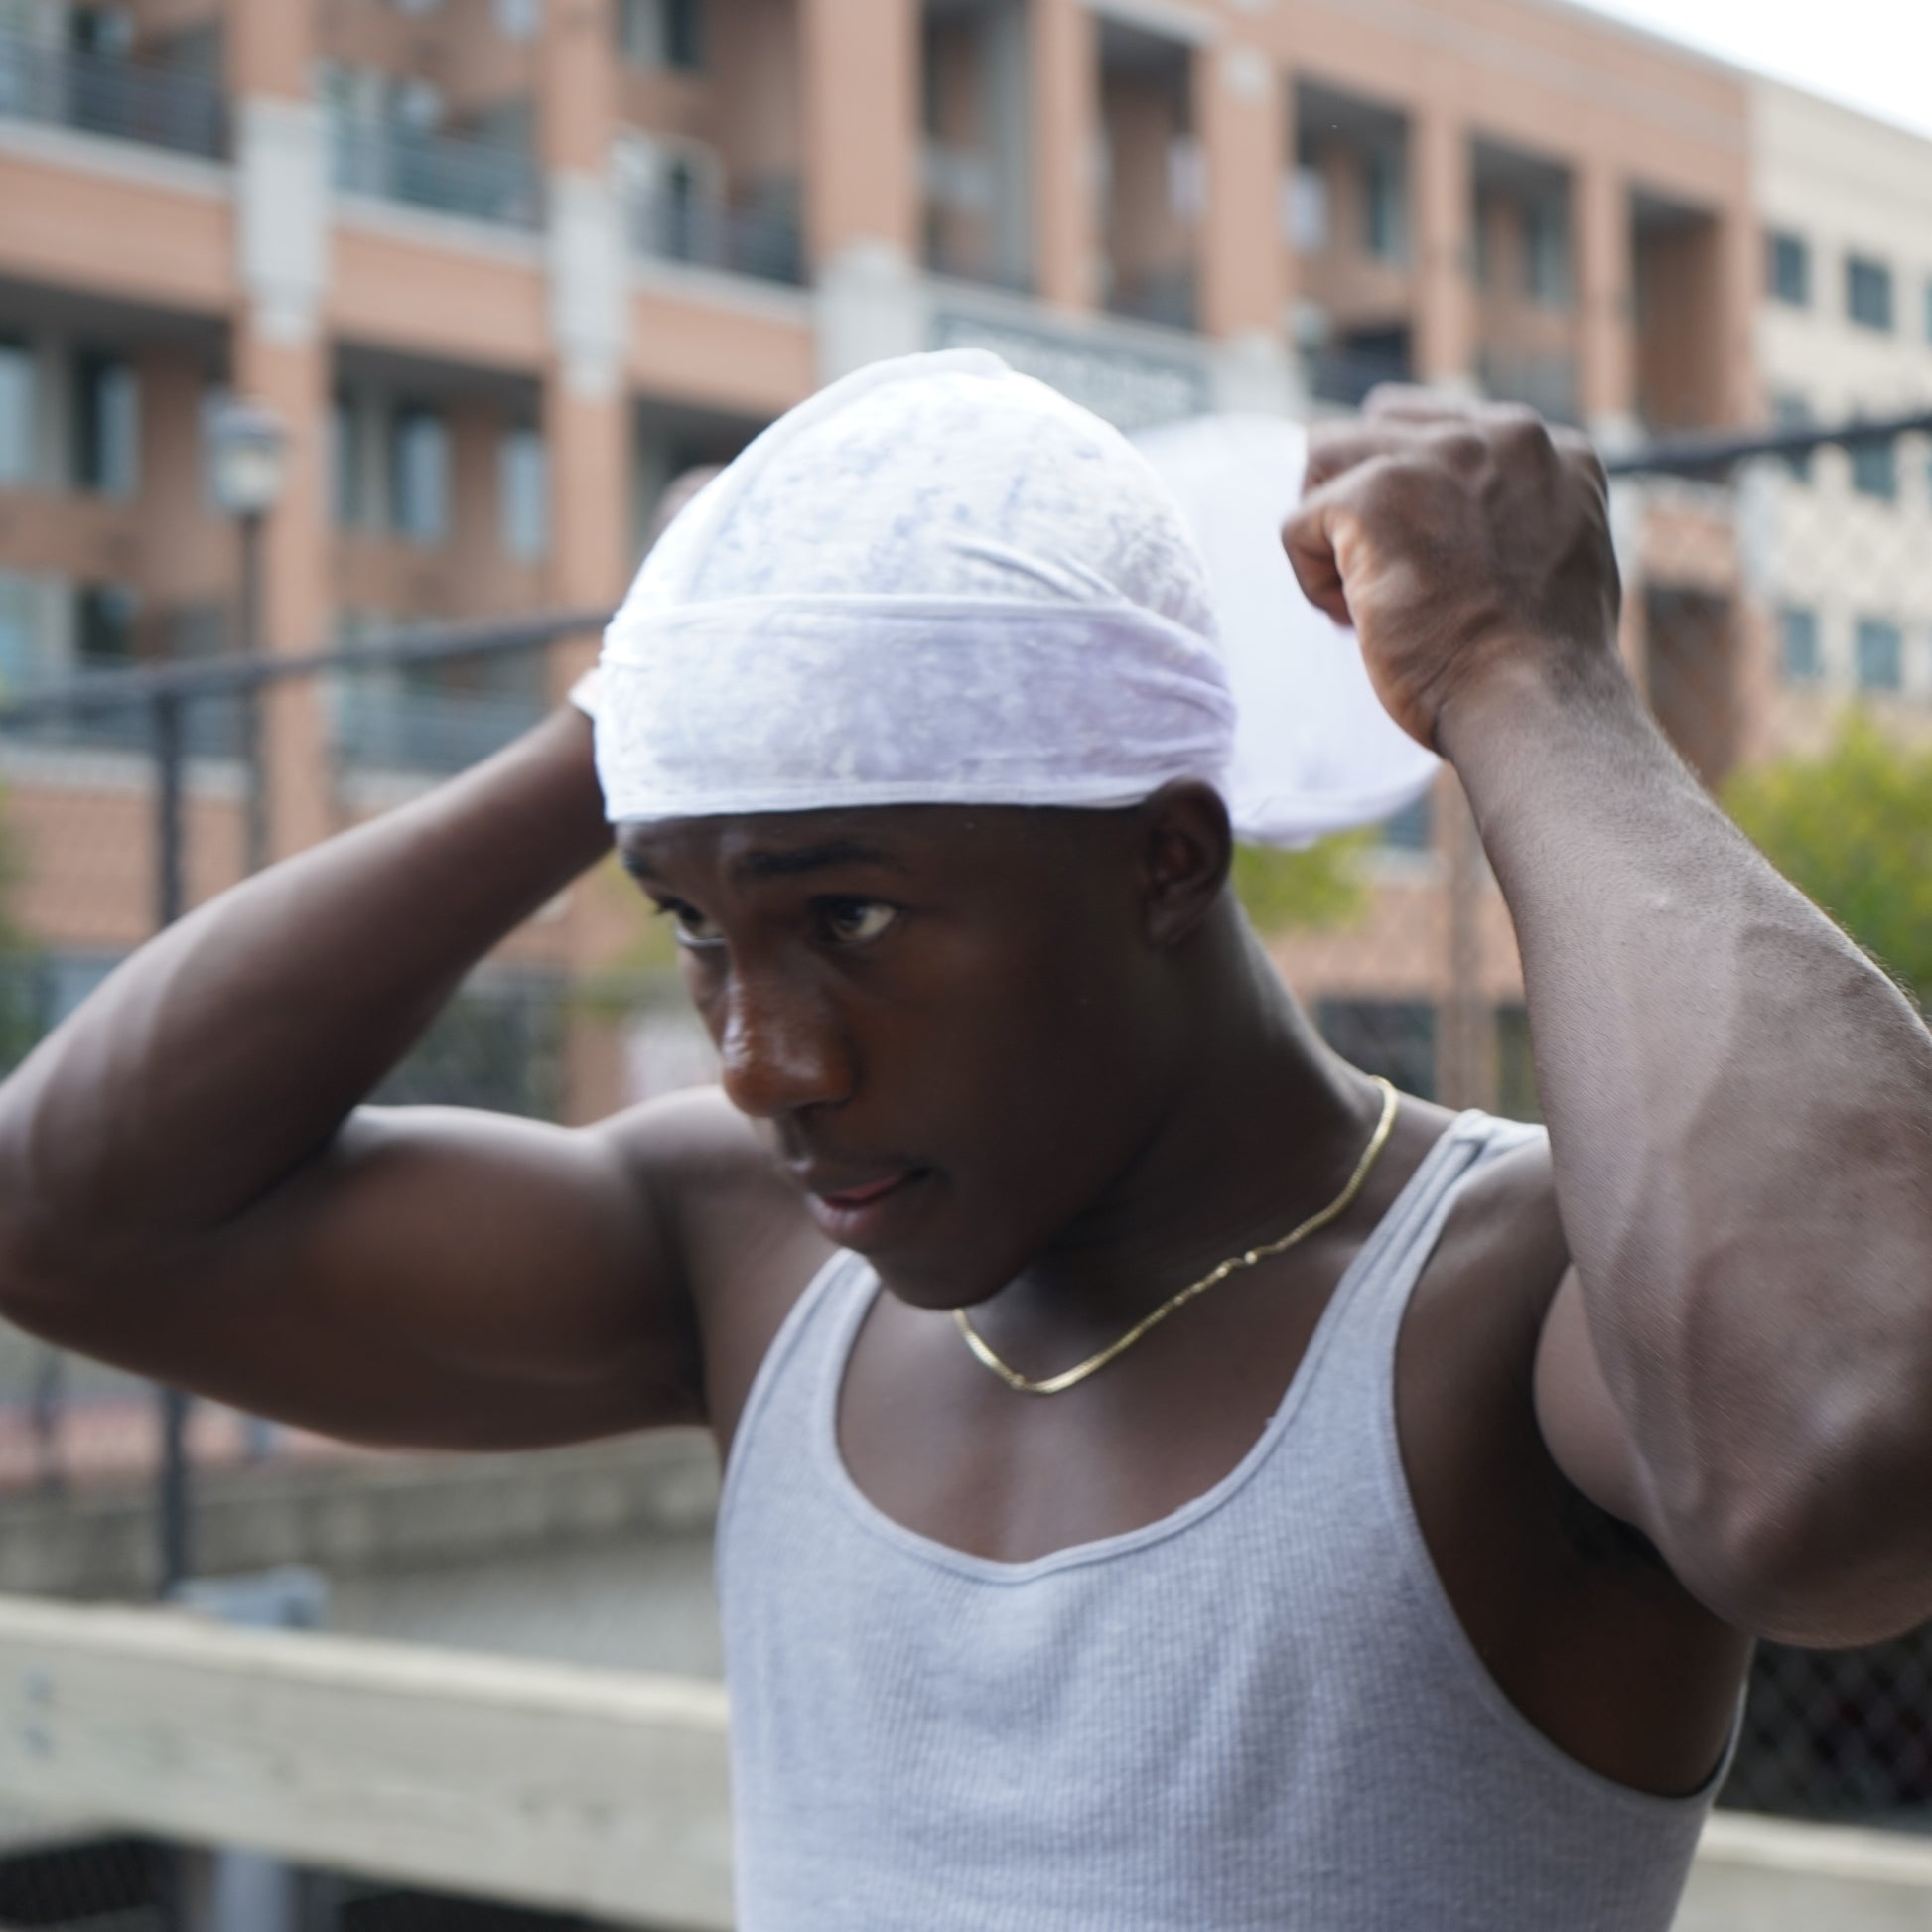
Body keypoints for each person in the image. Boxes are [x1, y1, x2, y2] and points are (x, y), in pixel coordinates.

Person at [2, 351, 1930, 1932]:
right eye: (691, 924)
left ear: (1166, 854)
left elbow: (1837, 1463)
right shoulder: (749, 1263)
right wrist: (644, 702)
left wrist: (1534, 682)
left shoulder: (1499, 1305)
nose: (762, 1057)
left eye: (846, 915)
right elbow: (69, 1212)